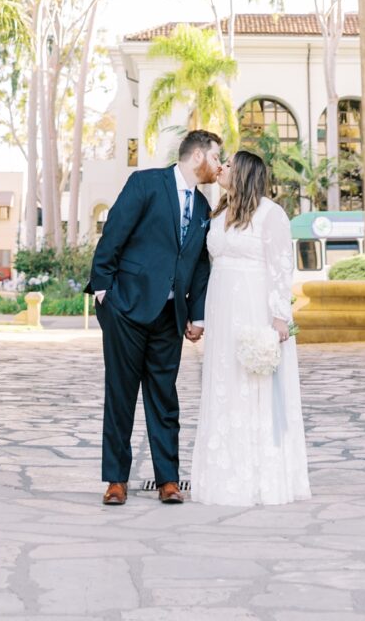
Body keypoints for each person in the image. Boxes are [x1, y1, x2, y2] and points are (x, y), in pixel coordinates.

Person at [87, 128, 222, 506]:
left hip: (169, 317)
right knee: (121, 394)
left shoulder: (201, 209)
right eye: (216, 158)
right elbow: (113, 234)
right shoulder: (145, 184)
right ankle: (115, 480)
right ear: (198, 156)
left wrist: (197, 315)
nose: (219, 165)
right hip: (126, 309)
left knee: (165, 398)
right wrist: (103, 292)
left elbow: (198, 266)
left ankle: (168, 479)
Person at [191, 148, 310, 507]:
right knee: (224, 383)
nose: (222, 168)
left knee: (256, 385)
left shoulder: (271, 214)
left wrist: (278, 317)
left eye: (228, 165)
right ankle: (224, 472)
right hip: (222, 306)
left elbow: (280, 267)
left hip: (254, 308)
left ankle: (261, 475)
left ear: (243, 173)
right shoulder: (220, 212)